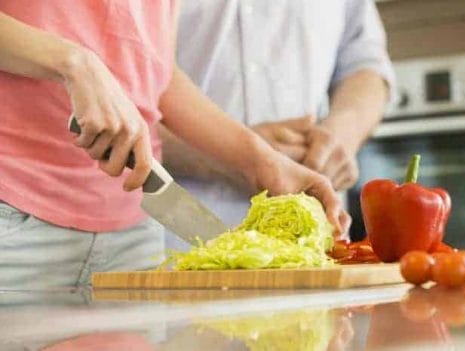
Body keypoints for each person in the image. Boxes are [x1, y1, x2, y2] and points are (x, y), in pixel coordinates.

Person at [0, 0, 349, 289]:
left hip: (133, 228)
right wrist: (75, 62)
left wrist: (264, 161)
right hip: (15, 213)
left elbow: (156, 73)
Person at [161, 0, 395, 233]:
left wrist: (342, 134)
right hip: (178, 228)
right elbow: (130, 101)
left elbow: (366, 64)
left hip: (312, 233)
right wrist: (240, 156)